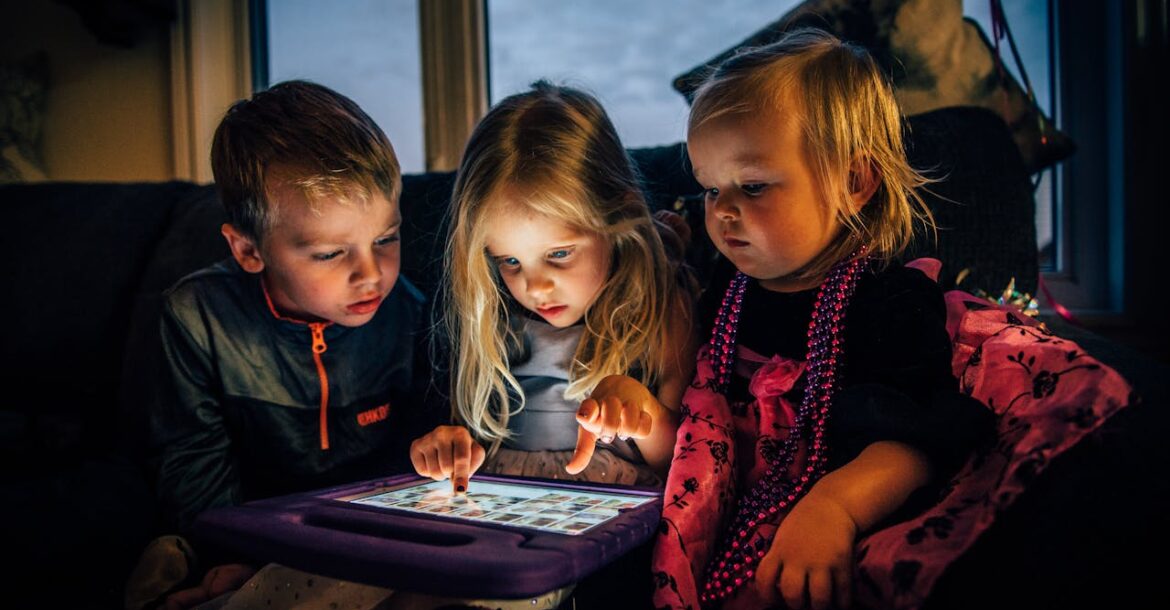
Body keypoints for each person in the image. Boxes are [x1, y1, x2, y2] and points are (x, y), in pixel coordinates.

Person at [650, 28, 996, 609]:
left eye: (753, 186)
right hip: (730, 519)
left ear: (854, 183)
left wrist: (832, 509)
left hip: (841, 523)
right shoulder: (725, 290)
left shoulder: (886, 299)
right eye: (710, 190)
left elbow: (914, 442)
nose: (724, 210)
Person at [127, 80, 438, 610]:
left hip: (361, 528)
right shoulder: (198, 317)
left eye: (386, 240)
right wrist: (228, 549)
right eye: (330, 254)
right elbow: (192, 460)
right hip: (249, 522)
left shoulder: (407, 313)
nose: (371, 275)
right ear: (249, 250)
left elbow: (417, 443)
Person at [409, 81, 697, 495]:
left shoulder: (661, 308)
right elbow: (470, 435)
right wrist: (448, 448)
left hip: (611, 519)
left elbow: (687, 459)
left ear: (617, 220)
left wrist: (643, 411)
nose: (535, 286)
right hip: (504, 510)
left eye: (560, 254)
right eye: (509, 261)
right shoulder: (493, 316)